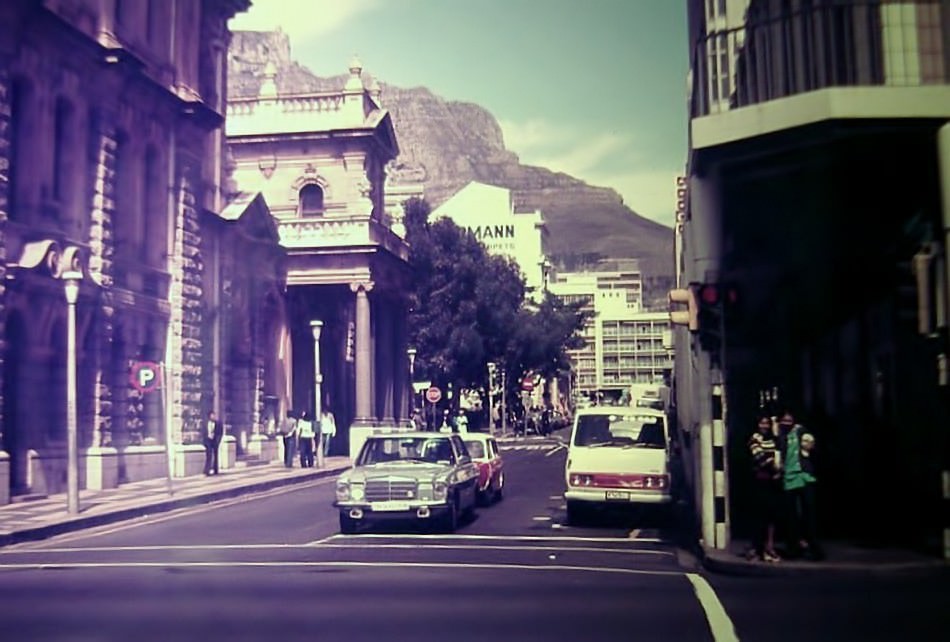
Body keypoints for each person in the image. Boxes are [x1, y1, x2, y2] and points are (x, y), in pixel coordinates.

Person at [778, 409, 823, 561]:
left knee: (809, 513)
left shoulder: (801, 431)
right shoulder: (781, 436)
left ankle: (813, 546)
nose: (787, 424)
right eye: (784, 421)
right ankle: (793, 547)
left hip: (805, 476)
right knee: (791, 515)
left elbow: (812, 446)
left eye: (789, 421)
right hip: (789, 477)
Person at [747, 414, 782, 562]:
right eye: (762, 423)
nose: (765, 426)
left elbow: (780, 453)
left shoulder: (773, 440)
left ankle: (769, 547)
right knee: (760, 516)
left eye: (767, 423)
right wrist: (775, 466)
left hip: (772, 482)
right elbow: (759, 458)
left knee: (771, 517)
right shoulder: (755, 439)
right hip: (760, 482)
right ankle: (757, 548)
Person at [203, 410, 224, 476]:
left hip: (215, 441)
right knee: (209, 455)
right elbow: (203, 432)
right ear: (209, 416)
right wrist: (204, 441)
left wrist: (218, 441)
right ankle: (207, 470)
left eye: (214, 415)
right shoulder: (205, 423)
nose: (213, 416)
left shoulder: (218, 423)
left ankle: (215, 469)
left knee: (215, 456)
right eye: (212, 415)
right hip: (208, 441)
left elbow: (220, 433)